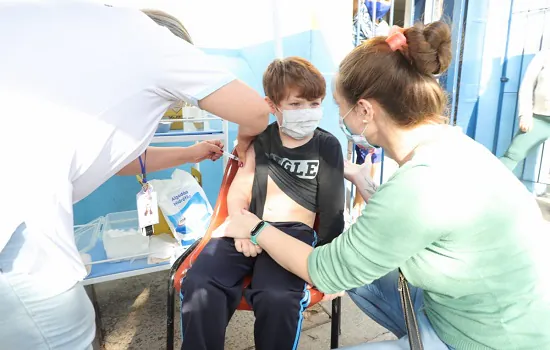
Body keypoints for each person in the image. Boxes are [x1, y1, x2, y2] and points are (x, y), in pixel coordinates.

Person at [216, 21, 550, 349]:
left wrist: (256, 227)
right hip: (483, 307)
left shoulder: (418, 186)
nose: (335, 116)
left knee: (337, 265)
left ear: (363, 110)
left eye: (336, 105)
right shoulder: (449, 144)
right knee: (355, 262)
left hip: (484, 338)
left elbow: (323, 270)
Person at [0, 3, 269, 349]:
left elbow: (121, 158)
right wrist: (245, 138)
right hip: (17, 225)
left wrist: (192, 152)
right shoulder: (151, 40)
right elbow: (255, 112)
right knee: (65, 331)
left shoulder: (58, 33)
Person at [179, 57, 345, 350]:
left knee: (278, 297)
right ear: (272, 105)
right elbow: (240, 189)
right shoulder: (261, 140)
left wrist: (328, 265)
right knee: (201, 283)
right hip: (245, 227)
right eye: (295, 105)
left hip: (292, 235)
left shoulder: (326, 145)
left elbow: (333, 210)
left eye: (314, 103)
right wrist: (241, 226)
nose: (306, 112)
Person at [351, 0, 391, 212]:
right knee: (361, 141)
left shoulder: (385, 28)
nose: (384, 3)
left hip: (376, 89)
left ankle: (360, 203)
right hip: (356, 86)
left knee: (371, 147)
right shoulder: (360, 14)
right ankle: (359, 202)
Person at [500, 50, 550, 174]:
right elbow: (527, 85)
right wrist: (525, 114)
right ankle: (484, 188)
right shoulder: (545, 54)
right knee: (511, 156)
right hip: (540, 118)